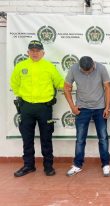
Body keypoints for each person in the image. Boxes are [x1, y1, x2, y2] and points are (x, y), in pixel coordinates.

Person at [10, 40, 64, 177]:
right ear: (28, 52)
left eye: (37, 51)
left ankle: (48, 166)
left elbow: (59, 83)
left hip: (44, 108)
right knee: (27, 138)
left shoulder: (49, 67)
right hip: (26, 107)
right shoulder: (21, 66)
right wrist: (23, 96)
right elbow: (14, 84)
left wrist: (74, 86)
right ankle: (28, 165)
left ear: (43, 53)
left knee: (46, 138)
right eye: (32, 50)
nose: (35, 53)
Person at [64, 56, 110, 177]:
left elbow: (107, 87)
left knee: (103, 137)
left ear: (93, 65)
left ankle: (106, 164)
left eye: (89, 71)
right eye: (84, 71)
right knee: (80, 139)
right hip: (82, 108)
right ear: (80, 67)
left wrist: (107, 107)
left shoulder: (101, 68)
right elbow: (66, 88)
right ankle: (77, 165)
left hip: (100, 107)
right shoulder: (74, 69)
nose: (87, 73)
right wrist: (72, 107)